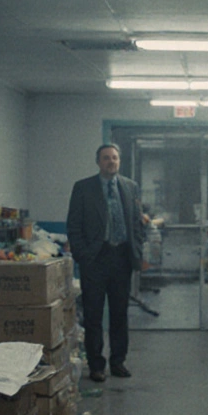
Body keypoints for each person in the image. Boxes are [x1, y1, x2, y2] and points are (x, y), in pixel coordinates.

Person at [66, 143, 146, 382]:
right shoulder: (83, 188)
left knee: (120, 314)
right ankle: (96, 365)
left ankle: (118, 362)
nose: (111, 161)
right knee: (93, 315)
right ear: (98, 162)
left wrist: (137, 251)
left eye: (114, 158)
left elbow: (136, 223)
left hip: (121, 258)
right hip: (95, 260)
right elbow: (73, 225)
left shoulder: (130, 187)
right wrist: (83, 256)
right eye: (106, 158)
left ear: (119, 161)